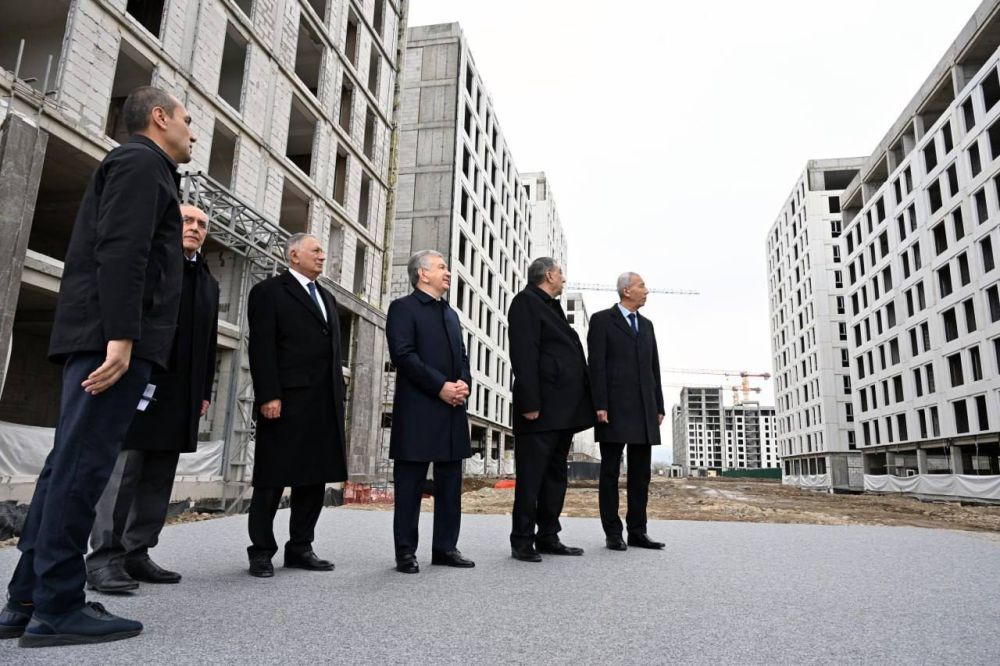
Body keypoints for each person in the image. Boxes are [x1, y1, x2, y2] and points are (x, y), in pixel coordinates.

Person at [1, 86, 195, 648]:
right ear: (159, 118)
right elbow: (123, 251)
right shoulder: (141, 163)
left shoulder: (141, 166)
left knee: (68, 466)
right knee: (82, 469)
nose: (192, 132)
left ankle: (27, 599)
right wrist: (122, 337)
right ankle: (58, 606)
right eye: (186, 119)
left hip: (103, 337)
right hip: (109, 342)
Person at [86, 205, 219, 592]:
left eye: (202, 224)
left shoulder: (208, 282)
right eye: (187, 221)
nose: (194, 228)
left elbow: (208, 344)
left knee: (159, 476)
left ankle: (137, 552)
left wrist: (203, 392)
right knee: (124, 472)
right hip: (141, 381)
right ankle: (103, 558)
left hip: (181, 393)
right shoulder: (152, 264)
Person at [245, 233, 348, 578]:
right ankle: (261, 550)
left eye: (322, 251)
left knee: (313, 477)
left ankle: (301, 547)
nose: (322, 256)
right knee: (272, 477)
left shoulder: (327, 298)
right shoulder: (269, 292)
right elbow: (262, 347)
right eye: (315, 250)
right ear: (293, 255)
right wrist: (268, 394)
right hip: (286, 400)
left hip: (323, 402)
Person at [385, 250, 475, 574]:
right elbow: (404, 355)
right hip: (418, 410)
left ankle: (446, 548)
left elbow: (462, 356)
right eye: (441, 267)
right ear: (422, 274)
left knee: (450, 484)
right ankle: (405, 552)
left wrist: (464, 383)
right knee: (409, 486)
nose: (448, 272)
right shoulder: (402, 308)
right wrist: (441, 387)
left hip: (452, 410)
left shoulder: (450, 314)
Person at [507, 257, 594, 562]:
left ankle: (548, 536)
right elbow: (523, 353)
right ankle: (522, 540)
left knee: (555, 476)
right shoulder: (525, 303)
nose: (564, 279)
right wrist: (530, 402)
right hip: (540, 409)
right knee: (531, 477)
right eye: (560, 273)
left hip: (561, 411)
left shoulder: (550, 306)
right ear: (548, 275)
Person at [587, 272, 666, 551]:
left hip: (645, 409)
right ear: (626, 291)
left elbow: (654, 368)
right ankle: (613, 532)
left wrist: (658, 405)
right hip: (612, 408)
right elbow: (596, 365)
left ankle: (638, 531)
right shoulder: (601, 321)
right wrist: (600, 403)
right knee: (610, 472)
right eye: (642, 285)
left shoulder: (647, 325)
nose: (647, 290)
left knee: (641, 475)